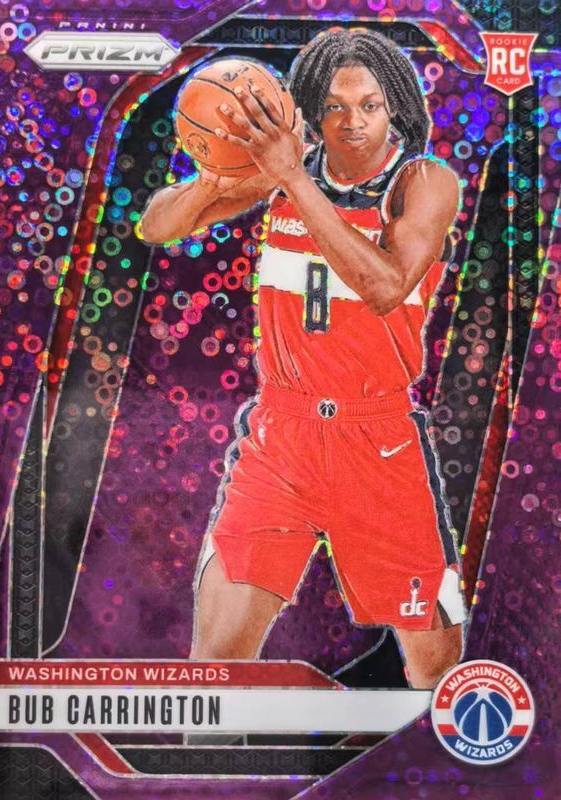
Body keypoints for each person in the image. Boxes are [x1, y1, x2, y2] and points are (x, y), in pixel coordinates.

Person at [141, 29, 466, 689]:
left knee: (436, 671)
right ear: (312, 110)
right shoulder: (286, 171)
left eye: (369, 105)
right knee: (215, 663)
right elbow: (156, 225)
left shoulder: (424, 182)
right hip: (281, 440)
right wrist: (212, 181)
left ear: (395, 107)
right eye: (335, 107)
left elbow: (384, 286)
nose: (353, 122)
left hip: (376, 440)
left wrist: (290, 176)